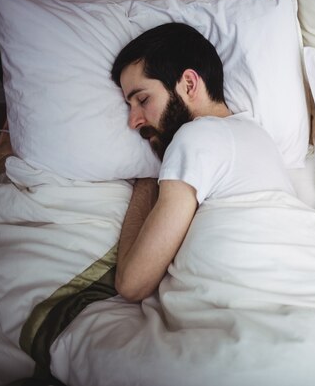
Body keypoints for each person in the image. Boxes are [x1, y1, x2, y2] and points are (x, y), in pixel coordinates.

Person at [110, 22, 295, 302]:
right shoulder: (258, 135)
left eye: (143, 99)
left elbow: (132, 284)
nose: (133, 121)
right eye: (129, 106)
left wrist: (145, 183)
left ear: (188, 84)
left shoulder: (194, 135)